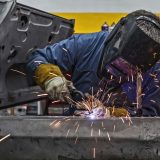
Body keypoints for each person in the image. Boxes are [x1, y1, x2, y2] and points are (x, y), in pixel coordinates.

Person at [26, 10, 160, 117]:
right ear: (116, 37)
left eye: (131, 69)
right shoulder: (86, 44)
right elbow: (37, 58)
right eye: (119, 63)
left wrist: (111, 114)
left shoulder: (155, 70)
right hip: (74, 134)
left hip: (125, 141)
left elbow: (151, 115)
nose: (119, 72)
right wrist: (50, 77)